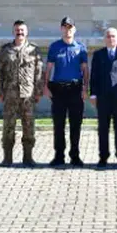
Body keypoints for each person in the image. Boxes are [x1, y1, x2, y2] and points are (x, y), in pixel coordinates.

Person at [0, 19, 43, 166]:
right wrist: (0, 91)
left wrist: (38, 92)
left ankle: (28, 157)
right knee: (8, 127)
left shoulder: (34, 50)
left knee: (28, 127)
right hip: (10, 95)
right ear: (13, 31)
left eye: (22, 30)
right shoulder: (5, 50)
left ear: (26, 32)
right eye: (17, 30)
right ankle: (7, 158)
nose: (20, 32)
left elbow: (38, 73)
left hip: (28, 95)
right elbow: (0, 73)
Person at [46, 16, 90, 166]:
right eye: (65, 27)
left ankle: (75, 156)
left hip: (75, 89)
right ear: (61, 29)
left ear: (74, 29)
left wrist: (85, 87)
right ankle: (59, 156)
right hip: (58, 89)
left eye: (70, 27)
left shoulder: (81, 48)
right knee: (58, 124)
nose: (67, 29)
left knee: (75, 125)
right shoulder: (54, 47)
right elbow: (49, 68)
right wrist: (45, 86)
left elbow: (85, 69)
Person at [90, 27, 117, 167]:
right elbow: (94, 76)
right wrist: (93, 94)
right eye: (108, 36)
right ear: (105, 39)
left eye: (113, 36)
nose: (111, 39)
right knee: (103, 128)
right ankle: (103, 157)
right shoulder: (98, 55)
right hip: (103, 98)